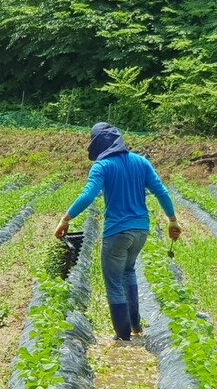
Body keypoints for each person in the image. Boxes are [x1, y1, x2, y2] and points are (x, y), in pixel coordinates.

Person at [55, 122, 181, 341]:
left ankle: (123, 337)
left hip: (116, 232)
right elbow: (160, 191)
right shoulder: (141, 162)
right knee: (129, 272)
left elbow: (88, 195)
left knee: (113, 282)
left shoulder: (102, 167)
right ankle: (135, 327)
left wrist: (66, 219)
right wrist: (172, 220)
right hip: (141, 231)